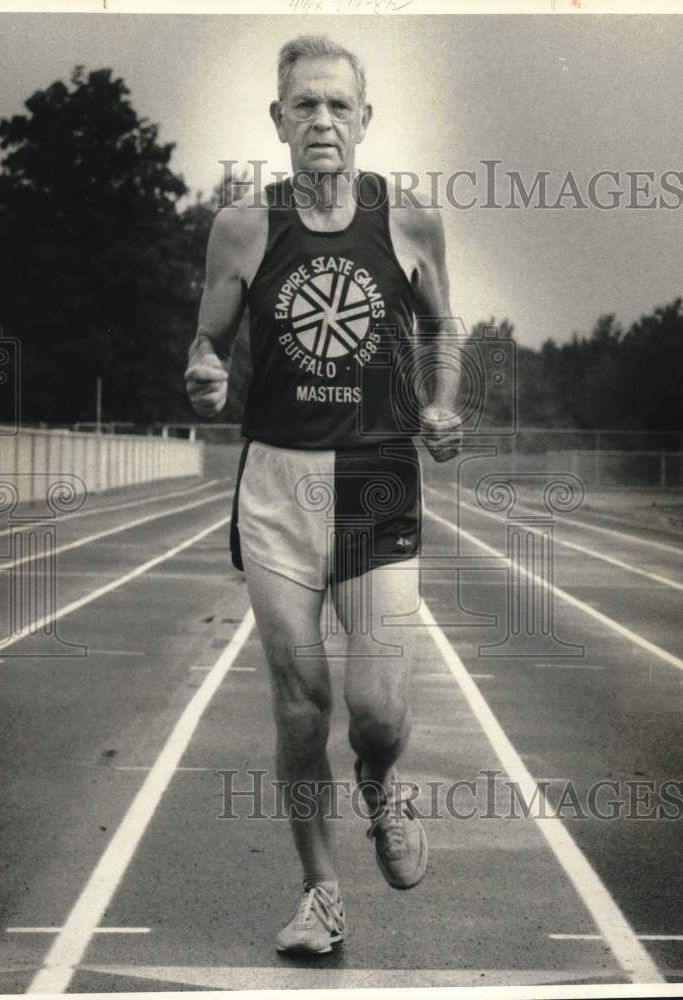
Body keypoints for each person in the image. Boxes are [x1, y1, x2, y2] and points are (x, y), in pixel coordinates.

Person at [185, 34, 462, 956]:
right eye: (304, 105)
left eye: (339, 106)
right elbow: (208, 343)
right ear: (277, 120)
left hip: (379, 477)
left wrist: (445, 403)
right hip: (276, 482)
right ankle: (321, 892)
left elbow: (443, 328)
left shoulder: (409, 220)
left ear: (366, 120)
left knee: (377, 714)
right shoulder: (242, 228)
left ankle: (383, 782)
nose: (322, 121)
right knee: (300, 705)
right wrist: (202, 373)